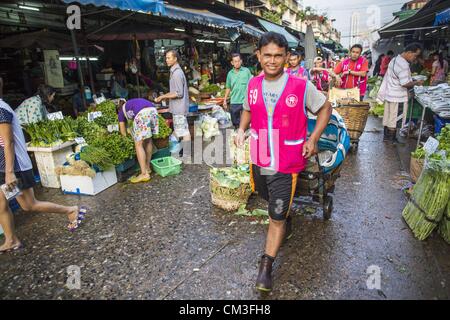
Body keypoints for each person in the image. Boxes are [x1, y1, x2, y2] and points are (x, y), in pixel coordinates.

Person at [235, 32, 332, 292]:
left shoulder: (301, 86)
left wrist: (313, 138)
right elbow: (247, 108)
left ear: (287, 57)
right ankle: (284, 218)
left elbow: (325, 108)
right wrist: (241, 129)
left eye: (279, 55)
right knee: (266, 198)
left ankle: (266, 266)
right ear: (258, 56)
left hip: (287, 161)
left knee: (275, 215)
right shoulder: (253, 84)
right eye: (267, 55)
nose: (273, 61)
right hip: (260, 156)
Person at [0, 81, 84, 253]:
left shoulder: (1, 109)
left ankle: (71, 210)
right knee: (1, 205)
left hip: (15, 167)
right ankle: (11, 240)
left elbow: (8, 142)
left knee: (29, 205)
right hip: (4, 166)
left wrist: (9, 172)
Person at [377, 43, 424, 143]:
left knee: (389, 116)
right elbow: (405, 83)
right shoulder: (403, 65)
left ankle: (386, 137)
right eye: (415, 55)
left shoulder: (394, 59)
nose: (415, 58)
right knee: (395, 119)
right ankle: (392, 139)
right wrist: (417, 82)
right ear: (409, 52)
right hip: (398, 96)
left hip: (390, 94)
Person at [155, 50, 191, 153]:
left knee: (184, 132)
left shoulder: (177, 73)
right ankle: (176, 151)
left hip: (179, 108)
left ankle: (186, 154)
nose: (166, 60)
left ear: (175, 59)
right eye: (166, 58)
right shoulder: (174, 72)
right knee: (179, 130)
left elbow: (178, 93)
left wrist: (163, 97)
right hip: (177, 108)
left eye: (169, 58)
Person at [118, 98, 158, 183]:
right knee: (148, 140)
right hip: (152, 110)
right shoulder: (130, 104)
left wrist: (128, 138)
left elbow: (123, 132)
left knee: (138, 144)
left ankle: (144, 174)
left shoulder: (121, 112)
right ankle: (147, 168)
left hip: (142, 113)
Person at [223, 53, 253, 128]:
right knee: (235, 122)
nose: (237, 63)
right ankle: (237, 136)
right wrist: (225, 100)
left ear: (241, 61)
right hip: (234, 101)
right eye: (235, 61)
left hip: (245, 101)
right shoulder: (230, 74)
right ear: (232, 63)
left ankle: (246, 137)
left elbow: (252, 84)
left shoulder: (246, 71)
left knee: (246, 122)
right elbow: (228, 87)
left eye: (239, 61)